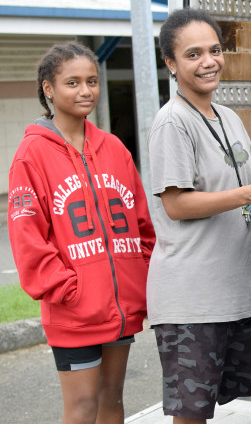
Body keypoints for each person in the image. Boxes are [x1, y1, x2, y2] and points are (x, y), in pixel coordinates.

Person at [146, 8, 251, 424]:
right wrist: (248, 193)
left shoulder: (228, 117)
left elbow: (241, 184)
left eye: (214, 50)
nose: (208, 61)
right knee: (192, 411)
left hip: (243, 295)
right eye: (193, 54)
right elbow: (177, 204)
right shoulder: (172, 122)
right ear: (171, 63)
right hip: (194, 302)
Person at [7, 42, 156, 424]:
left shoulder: (114, 148)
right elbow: (27, 238)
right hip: (73, 310)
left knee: (113, 402)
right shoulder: (31, 154)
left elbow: (141, 222)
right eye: (72, 82)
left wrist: (139, 275)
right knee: (82, 408)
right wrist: (68, 290)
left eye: (92, 81)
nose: (85, 90)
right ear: (48, 88)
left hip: (121, 306)